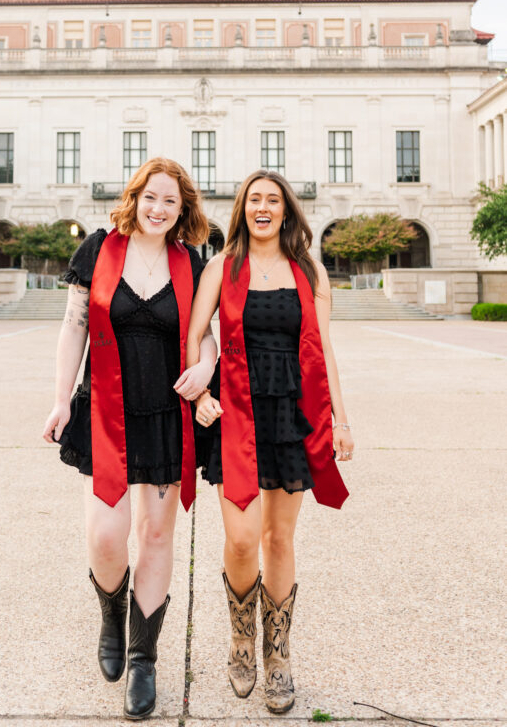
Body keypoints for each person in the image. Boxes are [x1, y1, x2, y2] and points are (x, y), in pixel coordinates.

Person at [42, 158, 215, 721]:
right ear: (134, 197)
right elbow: (74, 327)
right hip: (107, 411)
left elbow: (207, 336)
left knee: (157, 532)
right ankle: (111, 612)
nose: (159, 208)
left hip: (166, 411)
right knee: (107, 535)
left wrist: (206, 369)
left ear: (182, 209)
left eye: (171, 201)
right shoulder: (99, 249)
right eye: (151, 197)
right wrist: (61, 398)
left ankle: (143, 658)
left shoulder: (191, 259)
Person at [185, 170, 353, 714]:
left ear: (286, 210)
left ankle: (277, 655)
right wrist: (199, 394)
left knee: (279, 540)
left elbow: (325, 350)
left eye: (272, 200)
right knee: (240, 540)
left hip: (291, 414)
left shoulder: (309, 270)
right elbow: (194, 339)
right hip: (234, 411)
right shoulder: (221, 267)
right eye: (254, 199)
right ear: (242, 209)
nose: (263, 207)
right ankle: (241, 639)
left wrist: (342, 421)